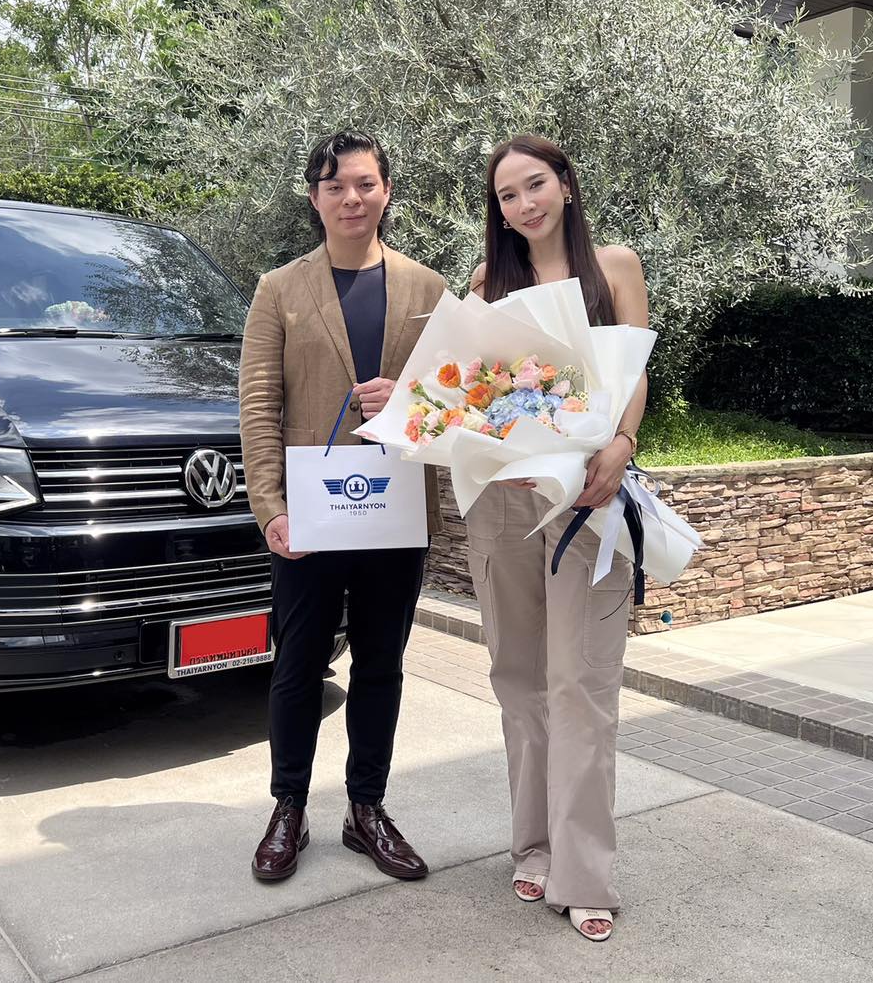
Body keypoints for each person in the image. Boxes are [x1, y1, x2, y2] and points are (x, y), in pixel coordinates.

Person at [239, 129, 446, 883]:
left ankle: (367, 809)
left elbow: (455, 403)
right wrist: (270, 508)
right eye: (335, 186)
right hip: (310, 515)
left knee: (381, 665)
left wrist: (410, 402)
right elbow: (258, 406)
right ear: (314, 197)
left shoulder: (428, 290)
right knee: (297, 665)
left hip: (395, 512)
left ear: (386, 191)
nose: (351, 198)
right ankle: (288, 807)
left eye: (364, 183)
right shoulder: (279, 290)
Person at [466, 134, 650, 942]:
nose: (524, 203)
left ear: (566, 185)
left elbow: (635, 371)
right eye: (507, 195)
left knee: (582, 681)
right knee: (519, 675)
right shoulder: (488, 284)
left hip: (591, 496)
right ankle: (533, 845)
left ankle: (584, 873)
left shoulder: (616, 268)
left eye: (534, 184)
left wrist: (623, 444)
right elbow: (473, 390)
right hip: (505, 499)